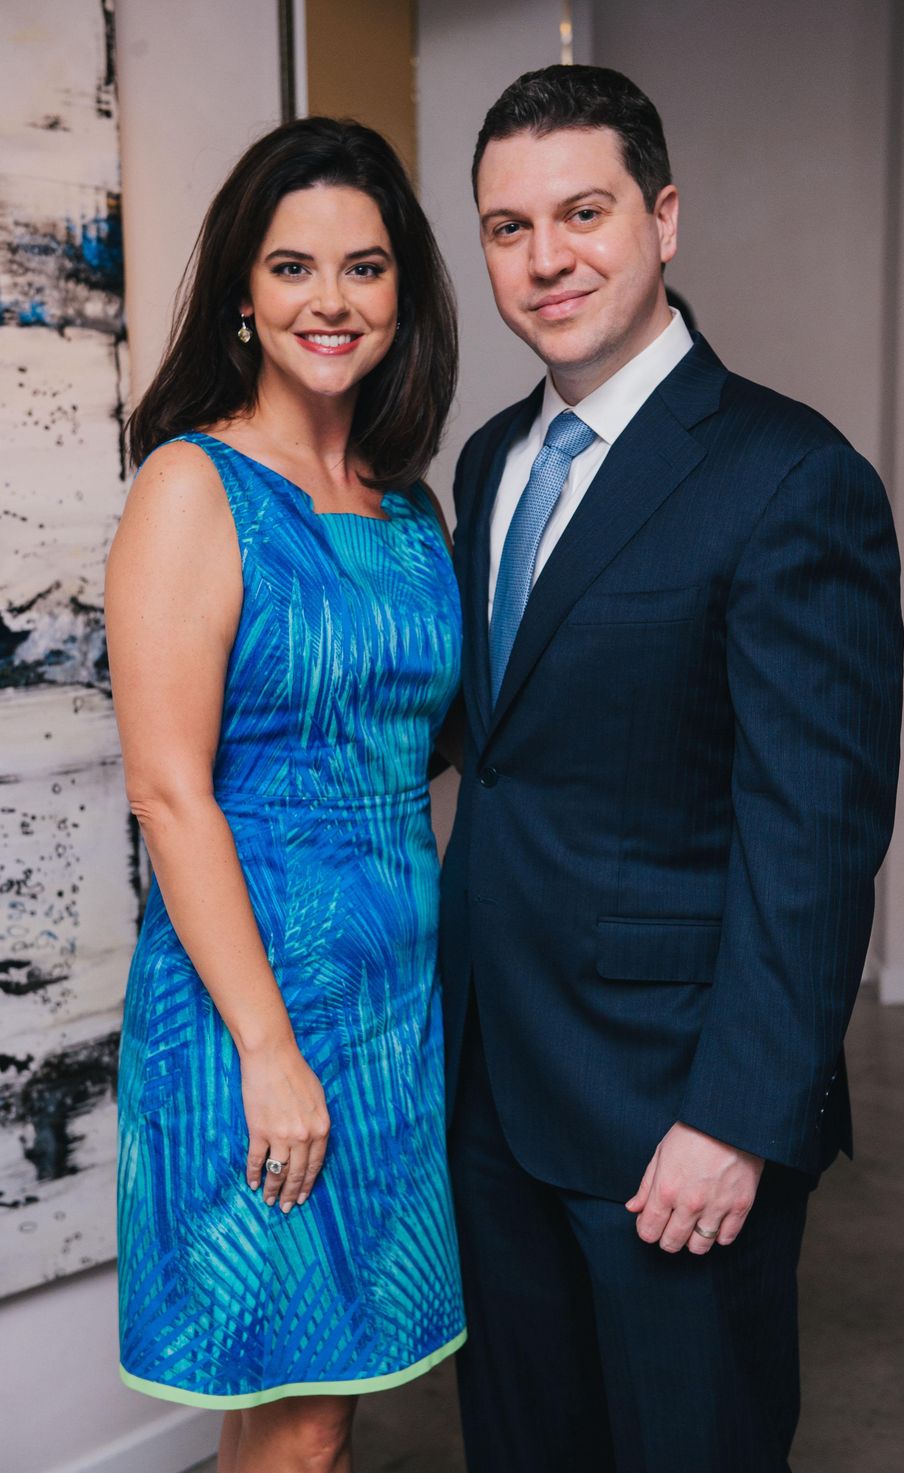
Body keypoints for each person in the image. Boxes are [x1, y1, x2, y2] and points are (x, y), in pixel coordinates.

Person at [440, 64, 903, 1473]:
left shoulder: (789, 475)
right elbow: (507, 757)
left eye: (583, 212)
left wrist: (736, 1119)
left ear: (664, 217)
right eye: (509, 227)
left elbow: (813, 835)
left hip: (671, 1115)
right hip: (491, 1088)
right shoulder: (488, 464)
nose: (547, 258)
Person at [106, 116, 465, 1473]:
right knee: (303, 1421)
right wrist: (267, 1047)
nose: (332, 300)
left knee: (327, 1393)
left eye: (365, 267)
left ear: (402, 293)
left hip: (396, 1005)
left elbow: (410, 741)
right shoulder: (193, 487)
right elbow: (168, 791)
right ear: (244, 296)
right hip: (250, 1006)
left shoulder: (408, 507)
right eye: (293, 266)